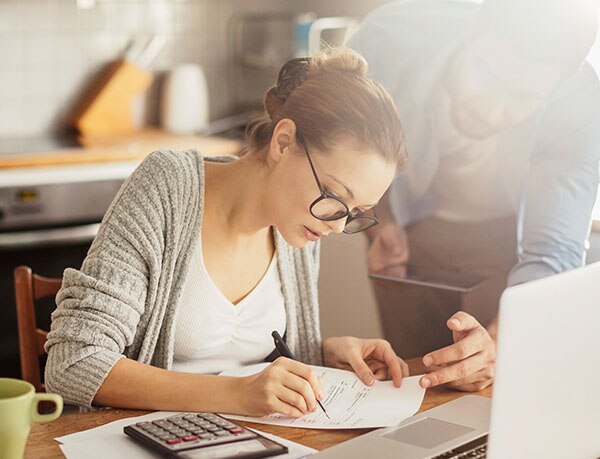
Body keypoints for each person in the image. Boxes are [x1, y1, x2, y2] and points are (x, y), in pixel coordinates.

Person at [44, 48, 420, 416]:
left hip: (248, 450)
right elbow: (74, 361)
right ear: (283, 142)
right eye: (335, 197)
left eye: (357, 213)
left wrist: (323, 353)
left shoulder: (302, 227)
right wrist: (234, 394)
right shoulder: (168, 187)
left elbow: (248, 359)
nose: (338, 225)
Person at [349, 0, 600, 391]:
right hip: (410, 228)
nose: (491, 108)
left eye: (521, 98)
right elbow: (342, 150)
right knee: (406, 384)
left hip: (507, 246)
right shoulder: (385, 41)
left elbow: (550, 252)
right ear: (471, 31)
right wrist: (379, 223)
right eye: (487, 74)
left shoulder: (580, 104)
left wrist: (501, 344)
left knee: (493, 384)